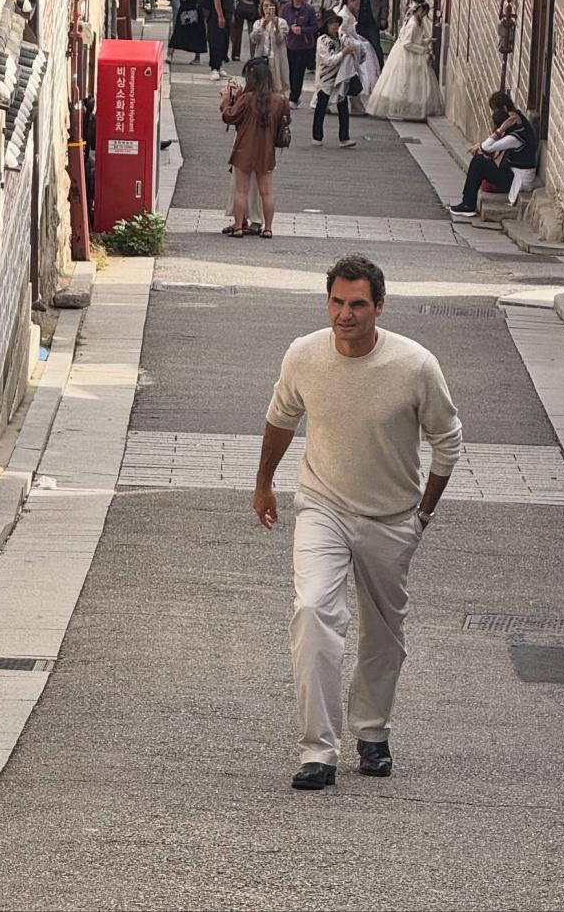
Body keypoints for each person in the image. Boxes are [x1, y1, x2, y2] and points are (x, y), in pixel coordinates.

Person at [253, 253, 462, 790]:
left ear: (379, 307)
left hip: (392, 517)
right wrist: (263, 483)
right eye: (336, 302)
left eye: (357, 305)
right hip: (322, 506)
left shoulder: (415, 365)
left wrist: (423, 514)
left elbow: (448, 440)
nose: (344, 314)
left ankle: (372, 731)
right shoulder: (304, 355)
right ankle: (318, 751)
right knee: (312, 611)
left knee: (383, 633)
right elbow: (281, 418)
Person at [220, 58, 291, 238]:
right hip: (266, 151)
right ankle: (268, 228)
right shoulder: (280, 100)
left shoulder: (246, 99)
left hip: (244, 149)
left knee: (241, 190)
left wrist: (226, 100)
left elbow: (230, 116)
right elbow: (286, 121)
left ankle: (238, 227)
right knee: (266, 192)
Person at [450, 91, 537, 216]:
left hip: (519, 181)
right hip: (513, 172)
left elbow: (487, 147)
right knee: (480, 160)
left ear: (505, 109)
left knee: (479, 162)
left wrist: (500, 130)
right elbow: (488, 146)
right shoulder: (517, 119)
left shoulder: (515, 137)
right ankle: (467, 202)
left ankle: (468, 204)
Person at [366, 0, 442, 121]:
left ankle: (410, 108)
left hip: (413, 53)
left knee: (412, 82)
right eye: (423, 13)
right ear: (419, 10)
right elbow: (407, 43)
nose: (424, 15)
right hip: (407, 54)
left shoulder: (417, 21)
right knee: (405, 81)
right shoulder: (412, 24)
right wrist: (422, 50)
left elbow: (415, 39)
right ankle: (404, 108)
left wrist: (426, 41)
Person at [311, 10, 357, 147]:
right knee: (321, 107)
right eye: (331, 23)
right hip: (325, 78)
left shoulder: (341, 39)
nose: (335, 25)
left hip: (339, 78)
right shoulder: (322, 40)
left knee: (343, 107)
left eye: (336, 22)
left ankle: (344, 137)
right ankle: (317, 136)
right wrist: (343, 53)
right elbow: (328, 61)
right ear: (326, 25)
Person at [336, 0, 380, 114]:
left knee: (354, 76)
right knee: (346, 77)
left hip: (352, 46)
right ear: (349, 1)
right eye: (354, 1)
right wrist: (353, 43)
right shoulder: (344, 15)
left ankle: (356, 104)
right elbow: (341, 33)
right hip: (347, 48)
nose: (356, 4)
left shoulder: (349, 14)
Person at [281, 0, 317, 108]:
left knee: (298, 73)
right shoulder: (286, 8)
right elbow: (282, 23)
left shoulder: (309, 9)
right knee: (290, 72)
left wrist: (302, 30)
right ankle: (293, 94)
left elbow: (315, 27)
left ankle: (294, 98)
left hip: (304, 46)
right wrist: (290, 29)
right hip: (290, 44)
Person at [251, 0, 290, 95]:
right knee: (261, 84)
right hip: (262, 56)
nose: (268, 9)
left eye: (271, 6)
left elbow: (280, 39)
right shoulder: (258, 23)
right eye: (265, 6)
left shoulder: (281, 22)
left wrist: (276, 26)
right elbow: (254, 39)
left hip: (276, 57)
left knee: (277, 84)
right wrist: (262, 26)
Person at [167, 0, 207, 65]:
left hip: (196, 12)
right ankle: (170, 55)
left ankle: (197, 57)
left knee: (198, 34)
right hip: (185, 12)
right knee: (178, 33)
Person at [354, 0, 388, 69]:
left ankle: (380, 67)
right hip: (359, 20)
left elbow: (385, 0)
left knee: (375, 45)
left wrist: (383, 17)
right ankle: (361, 68)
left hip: (373, 20)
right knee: (359, 45)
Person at [208, 0, 235, 80]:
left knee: (224, 41)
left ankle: (220, 66)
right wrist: (220, 15)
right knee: (216, 41)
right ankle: (214, 68)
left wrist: (232, 13)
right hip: (216, 14)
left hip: (228, 12)